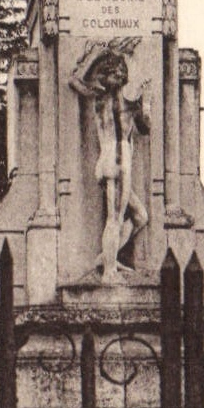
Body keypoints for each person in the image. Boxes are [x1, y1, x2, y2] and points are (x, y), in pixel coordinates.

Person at [68, 42, 151, 280]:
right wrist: (146, 102)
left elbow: (74, 80)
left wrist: (95, 54)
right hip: (118, 158)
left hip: (107, 161)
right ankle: (109, 271)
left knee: (140, 217)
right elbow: (146, 127)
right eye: (117, 72)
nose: (120, 75)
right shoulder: (125, 102)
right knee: (114, 218)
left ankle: (107, 258)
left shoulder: (100, 98)